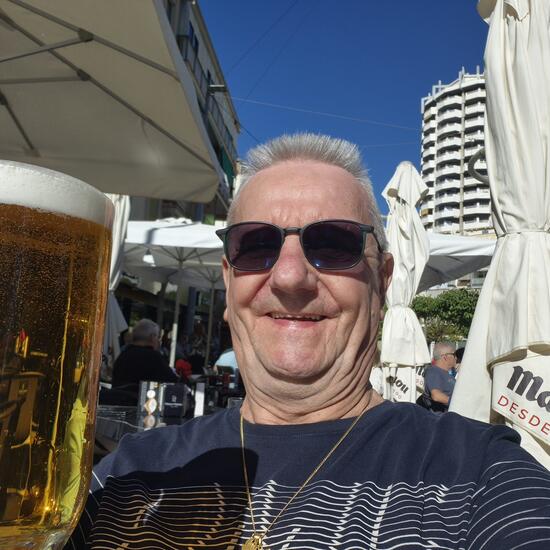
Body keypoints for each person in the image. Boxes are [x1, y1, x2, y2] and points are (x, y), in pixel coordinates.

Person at [67, 134, 550, 549]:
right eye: (256, 244)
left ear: (382, 282)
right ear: (228, 282)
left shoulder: (478, 475)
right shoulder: (130, 472)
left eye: (334, 243)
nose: (290, 277)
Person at [111, 318, 178, 397]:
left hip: (116, 401)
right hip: (139, 402)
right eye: (158, 337)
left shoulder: (122, 355)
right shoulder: (153, 357)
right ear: (152, 337)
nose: (158, 341)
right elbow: (173, 381)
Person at [422, 341, 457, 411]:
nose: (456, 358)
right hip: (442, 416)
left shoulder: (444, 373)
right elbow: (436, 396)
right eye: (454, 354)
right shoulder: (433, 371)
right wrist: (459, 404)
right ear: (445, 357)